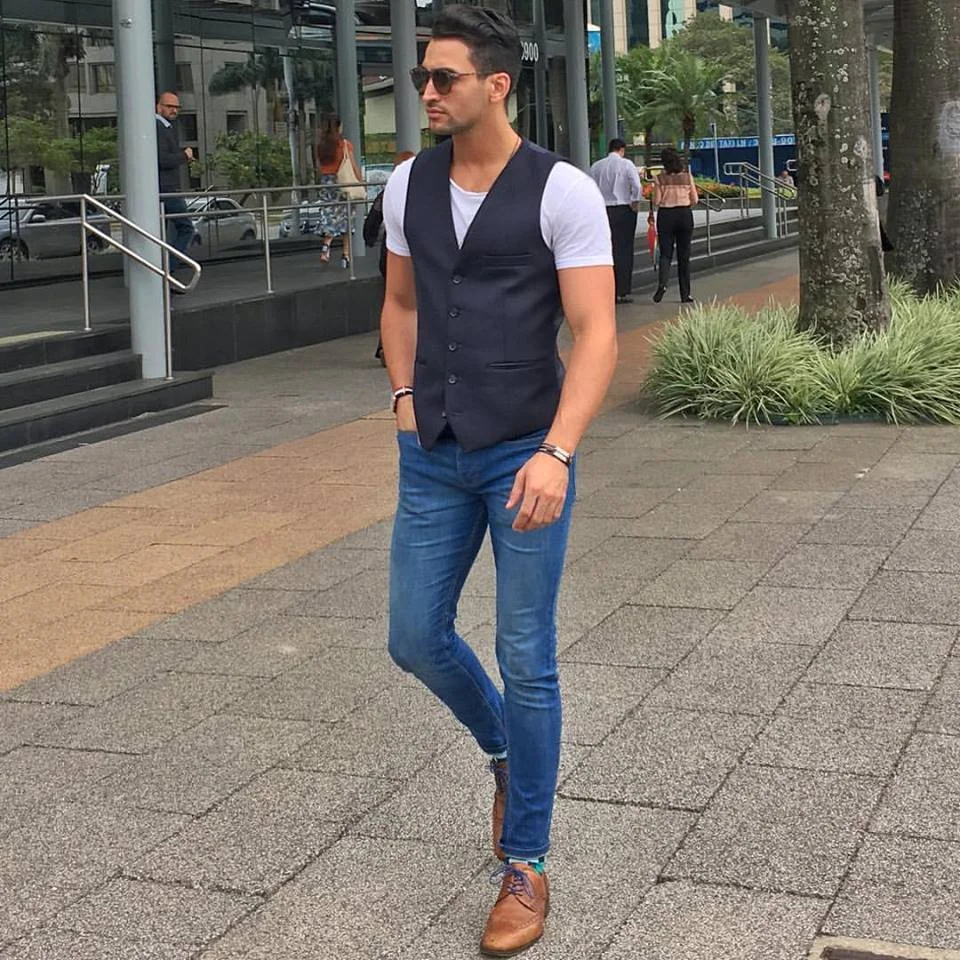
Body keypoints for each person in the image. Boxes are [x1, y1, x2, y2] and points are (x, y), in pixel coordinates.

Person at [380, 5, 616, 956]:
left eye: (443, 78)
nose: (427, 93)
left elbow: (596, 333)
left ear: (497, 85)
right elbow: (400, 302)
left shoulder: (563, 191)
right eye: (422, 79)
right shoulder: (407, 183)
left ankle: (527, 862)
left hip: (526, 450)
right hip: (432, 448)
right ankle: (504, 752)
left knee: (527, 655)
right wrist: (403, 396)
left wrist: (558, 452)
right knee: (412, 637)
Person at [364, 150, 417, 365]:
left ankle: (385, 347)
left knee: (394, 301)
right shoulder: (424, 191)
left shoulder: (388, 192)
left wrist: (369, 238)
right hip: (412, 251)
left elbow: (372, 220)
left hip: (389, 251)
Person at [590, 138, 643, 304]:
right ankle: (622, 290)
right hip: (623, 208)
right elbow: (637, 186)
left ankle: (606, 289)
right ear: (622, 149)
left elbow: (590, 187)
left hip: (603, 210)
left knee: (605, 249)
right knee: (624, 249)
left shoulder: (596, 166)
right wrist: (635, 201)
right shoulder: (626, 164)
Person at [649, 146, 698, 304]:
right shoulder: (687, 177)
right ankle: (685, 294)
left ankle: (662, 284)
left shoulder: (659, 178)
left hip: (666, 216)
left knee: (666, 253)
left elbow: (656, 201)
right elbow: (695, 199)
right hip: (684, 215)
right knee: (684, 255)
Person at [314, 113, 362, 268]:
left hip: (327, 183)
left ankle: (326, 246)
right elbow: (352, 165)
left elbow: (319, 167)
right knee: (347, 217)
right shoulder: (344, 144)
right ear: (338, 126)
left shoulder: (321, 146)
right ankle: (345, 255)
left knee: (329, 214)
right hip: (343, 182)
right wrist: (360, 181)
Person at [155, 92, 195, 276]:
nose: (174, 110)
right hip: (166, 188)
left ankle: (164, 270)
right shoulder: (159, 127)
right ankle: (168, 269)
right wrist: (184, 156)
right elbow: (162, 159)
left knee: (162, 231)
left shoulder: (166, 127)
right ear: (159, 107)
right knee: (186, 228)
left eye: (177, 107)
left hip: (164, 188)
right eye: (169, 106)